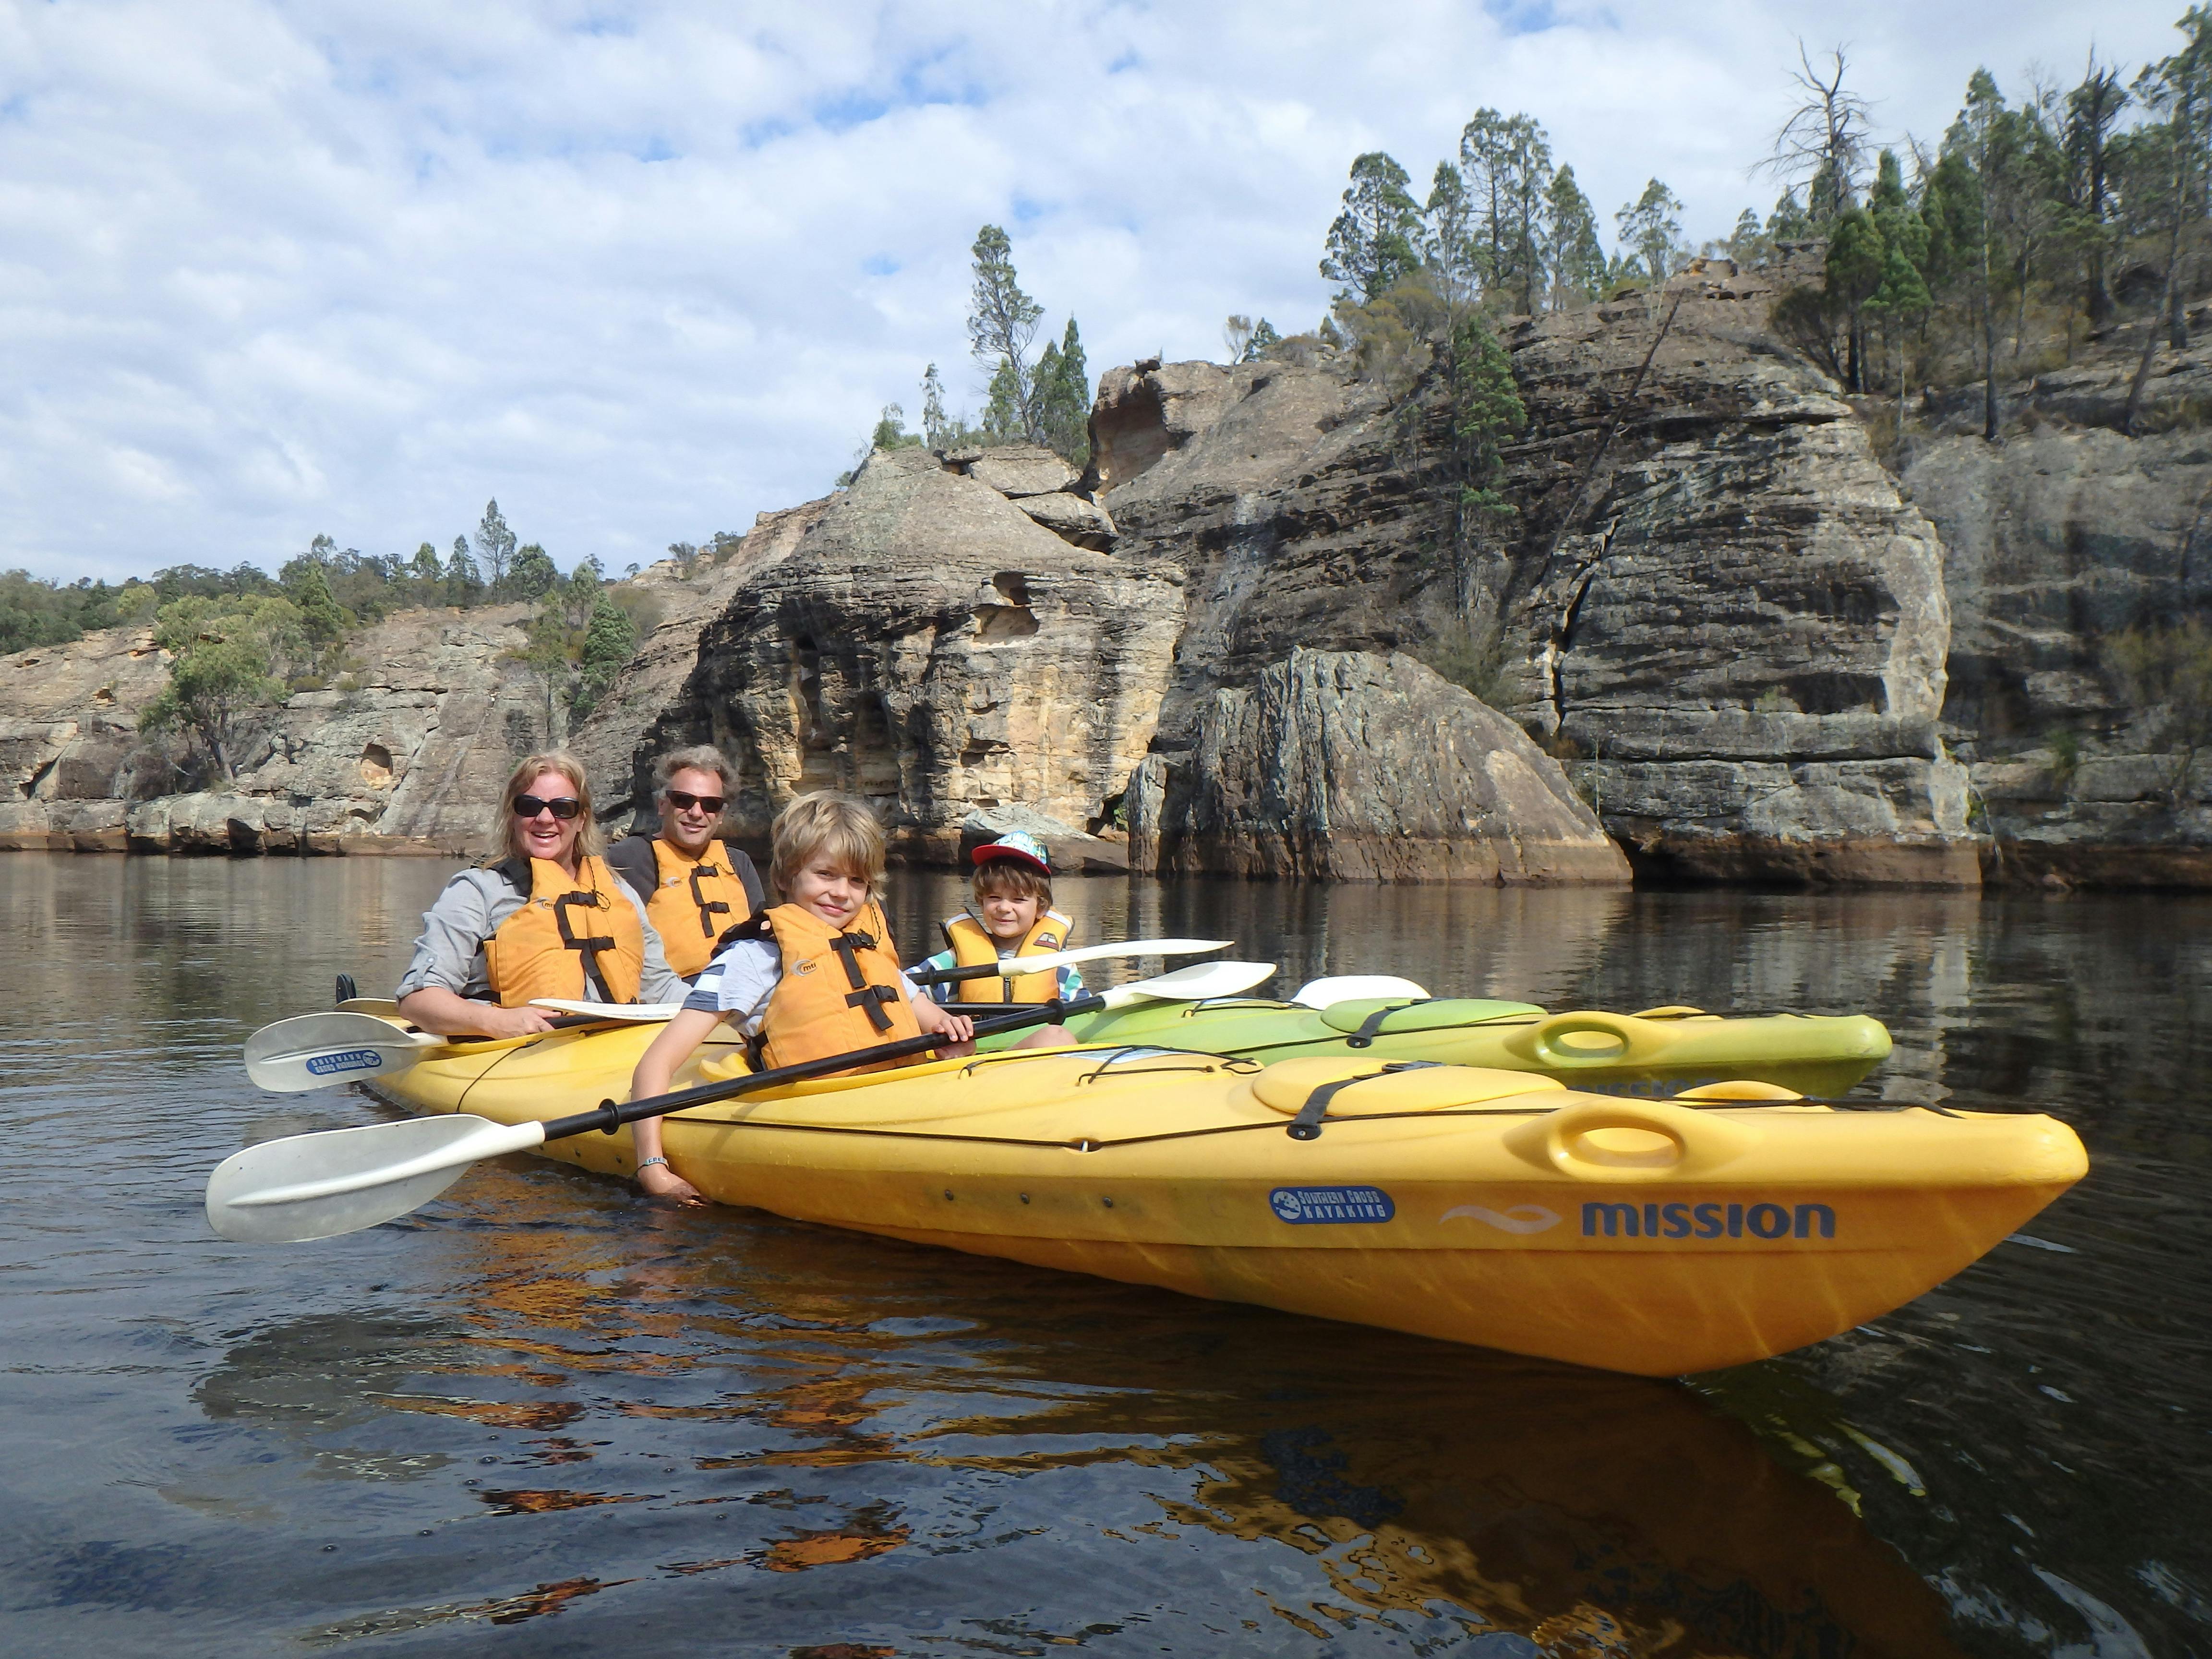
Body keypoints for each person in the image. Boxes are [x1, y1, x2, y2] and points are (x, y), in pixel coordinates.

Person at [625, 792, 973, 1203]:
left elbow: (935, 1022)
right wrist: (653, 1168)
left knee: (1050, 1041)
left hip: (898, 1094)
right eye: (826, 874)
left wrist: (953, 1035)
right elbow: (657, 1062)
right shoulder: (753, 958)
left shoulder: (866, 949)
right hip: (817, 1112)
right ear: (787, 877)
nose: (842, 893)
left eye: (857, 881)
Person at [396, 751, 686, 1039]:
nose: (545, 819)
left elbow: (661, 988)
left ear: (582, 819)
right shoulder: (477, 891)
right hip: (516, 1051)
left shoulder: (618, 892)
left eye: (563, 808)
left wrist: (723, 1006)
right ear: (513, 814)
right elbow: (418, 999)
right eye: (530, 806)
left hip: (610, 1047)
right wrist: (493, 1020)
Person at [604, 745, 766, 980]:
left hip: (742, 990)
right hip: (668, 998)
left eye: (711, 804)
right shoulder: (627, 858)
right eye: (684, 800)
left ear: (720, 816)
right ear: (662, 805)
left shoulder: (738, 862)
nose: (696, 813)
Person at [909, 830, 1081, 1047]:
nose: (1004, 908)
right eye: (994, 898)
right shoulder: (953, 960)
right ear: (981, 902)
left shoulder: (1059, 964)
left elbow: (1084, 1016)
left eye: (1018, 899)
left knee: (1057, 1037)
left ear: (1041, 907)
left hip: (1033, 1059)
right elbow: (904, 987)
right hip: (969, 1061)